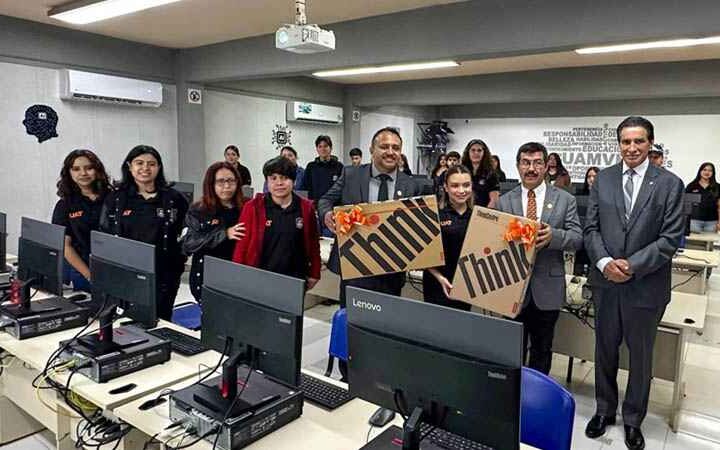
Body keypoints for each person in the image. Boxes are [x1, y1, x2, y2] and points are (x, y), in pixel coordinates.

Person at [584, 116, 684, 450]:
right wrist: (604, 263)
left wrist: (632, 265)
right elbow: (591, 228)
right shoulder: (603, 179)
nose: (632, 148)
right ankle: (604, 410)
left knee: (640, 358)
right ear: (619, 144)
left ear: (650, 143)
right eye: (626, 141)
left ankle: (633, 419)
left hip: (646, 286)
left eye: (639, 141)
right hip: (605, 283)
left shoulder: (669, 184)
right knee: (604, 351)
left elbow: (670, 238)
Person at [496, 142, 583, 374]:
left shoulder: (565, 199)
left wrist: (554, 236)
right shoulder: (505, 201)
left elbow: (577, 238)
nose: (531, 168)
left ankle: (536, 393)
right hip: (512, 288)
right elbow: (495, 242)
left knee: (542, 350)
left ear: (546, 167)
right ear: (518, 166)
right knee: (510, 353)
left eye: (537, 163)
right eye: (526, 163)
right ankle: (512, 393)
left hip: (547, 289)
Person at [319, 127, 425, 308]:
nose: (390, 152)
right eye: (384, 146)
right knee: (352, 317)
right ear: (371, 149)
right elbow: (326, 200)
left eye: (396, 148)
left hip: (391, 268)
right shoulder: (351, 174)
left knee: (386, 320)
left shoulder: (411, 184)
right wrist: (327, 213)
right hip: (354, 263)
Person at [100, 145, 189, 321]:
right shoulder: (116, 199)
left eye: (151, 164)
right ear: (129, 166)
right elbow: (105, 234)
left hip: (164, 274)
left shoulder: (174, 198)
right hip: (127, 273)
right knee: (126, 322)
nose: (145, 168)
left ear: (159, 167)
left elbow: (187, 232)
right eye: (139, 163)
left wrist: (180, 259)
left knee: (160, 320)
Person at [233, 157, 320, 288]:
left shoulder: (306, 208)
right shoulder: (252, 207)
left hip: (295, 278)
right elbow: (242, 245)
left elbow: (313, 243)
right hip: (258, 277)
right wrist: (238, 275)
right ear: (267, 182)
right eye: (273, 178)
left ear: (294, 181)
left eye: (284, 178)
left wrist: (315, 273)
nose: (279, 183)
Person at [181, 162, 246, 303]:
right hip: (207, 276)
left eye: (231, 181)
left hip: (237, 276)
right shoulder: (199, 210)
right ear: (211, 184)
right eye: (221, 181)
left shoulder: (245, 208)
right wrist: (225, 234)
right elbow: (189, 243)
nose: (227, 186)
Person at [52, 149, 113, 291]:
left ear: (97, 170)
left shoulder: (114, 198)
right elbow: (65, 246)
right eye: (76, 169)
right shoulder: (65, 205)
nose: (83, 173)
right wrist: (90, 276)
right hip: (83, 271)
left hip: (115, 268)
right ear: (69, 173)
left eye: (89, 168)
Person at [423, 165, 474, 311]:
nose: (461, 190)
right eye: (455, 186)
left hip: (464, 286)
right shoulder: (435, 214)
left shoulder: (478, 217)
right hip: (436, 283)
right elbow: (423, 255)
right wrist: (440, 278)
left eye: (466, 185)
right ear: (445, 187)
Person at [302, 135, 344, 236]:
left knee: (329, 238)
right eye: (320, 146)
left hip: (332, 212)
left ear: (331, 148)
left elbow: (342, 190)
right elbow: (306, 189)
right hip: (314, 211)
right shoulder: (311, 167)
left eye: (325, 146)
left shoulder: (339, 166)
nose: (322, 149)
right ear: (317, 149)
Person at [461, 139, 499, 208]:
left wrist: (484, 213)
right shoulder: (461, 171)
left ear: (484, 153)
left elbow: (494, 200)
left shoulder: (491, 174)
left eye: (479, 150)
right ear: (468, 152)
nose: (476, 153)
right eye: (473, 150)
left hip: (482, 211)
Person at [686, 162, 720, 233]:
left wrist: (719, 222)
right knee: (694, 241)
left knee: (709, 240)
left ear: (713, 173)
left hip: (712, 222)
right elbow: (686, 206)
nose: (707, 172)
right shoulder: (692, 186)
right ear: (700, 171)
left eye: (710, 170)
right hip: (694, 221)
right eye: (704, 170)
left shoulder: (717, 187)